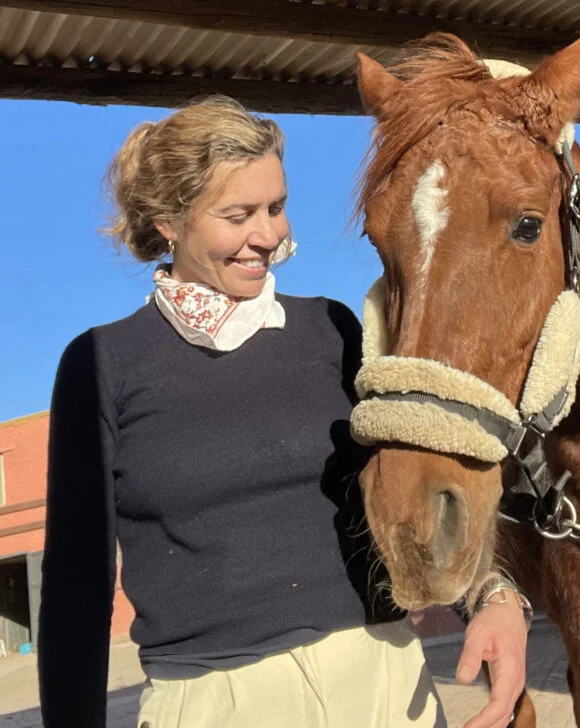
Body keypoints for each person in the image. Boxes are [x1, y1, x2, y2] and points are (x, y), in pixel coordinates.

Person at [38, 96, 530, 728]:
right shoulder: (103, 363)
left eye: (276, 207)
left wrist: (492, 597)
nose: (269, 235)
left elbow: (413, 486)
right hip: (214, 703)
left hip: (384, 683)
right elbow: (77, 583)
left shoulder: (332, 329)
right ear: (169, 221)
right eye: (238, 214)